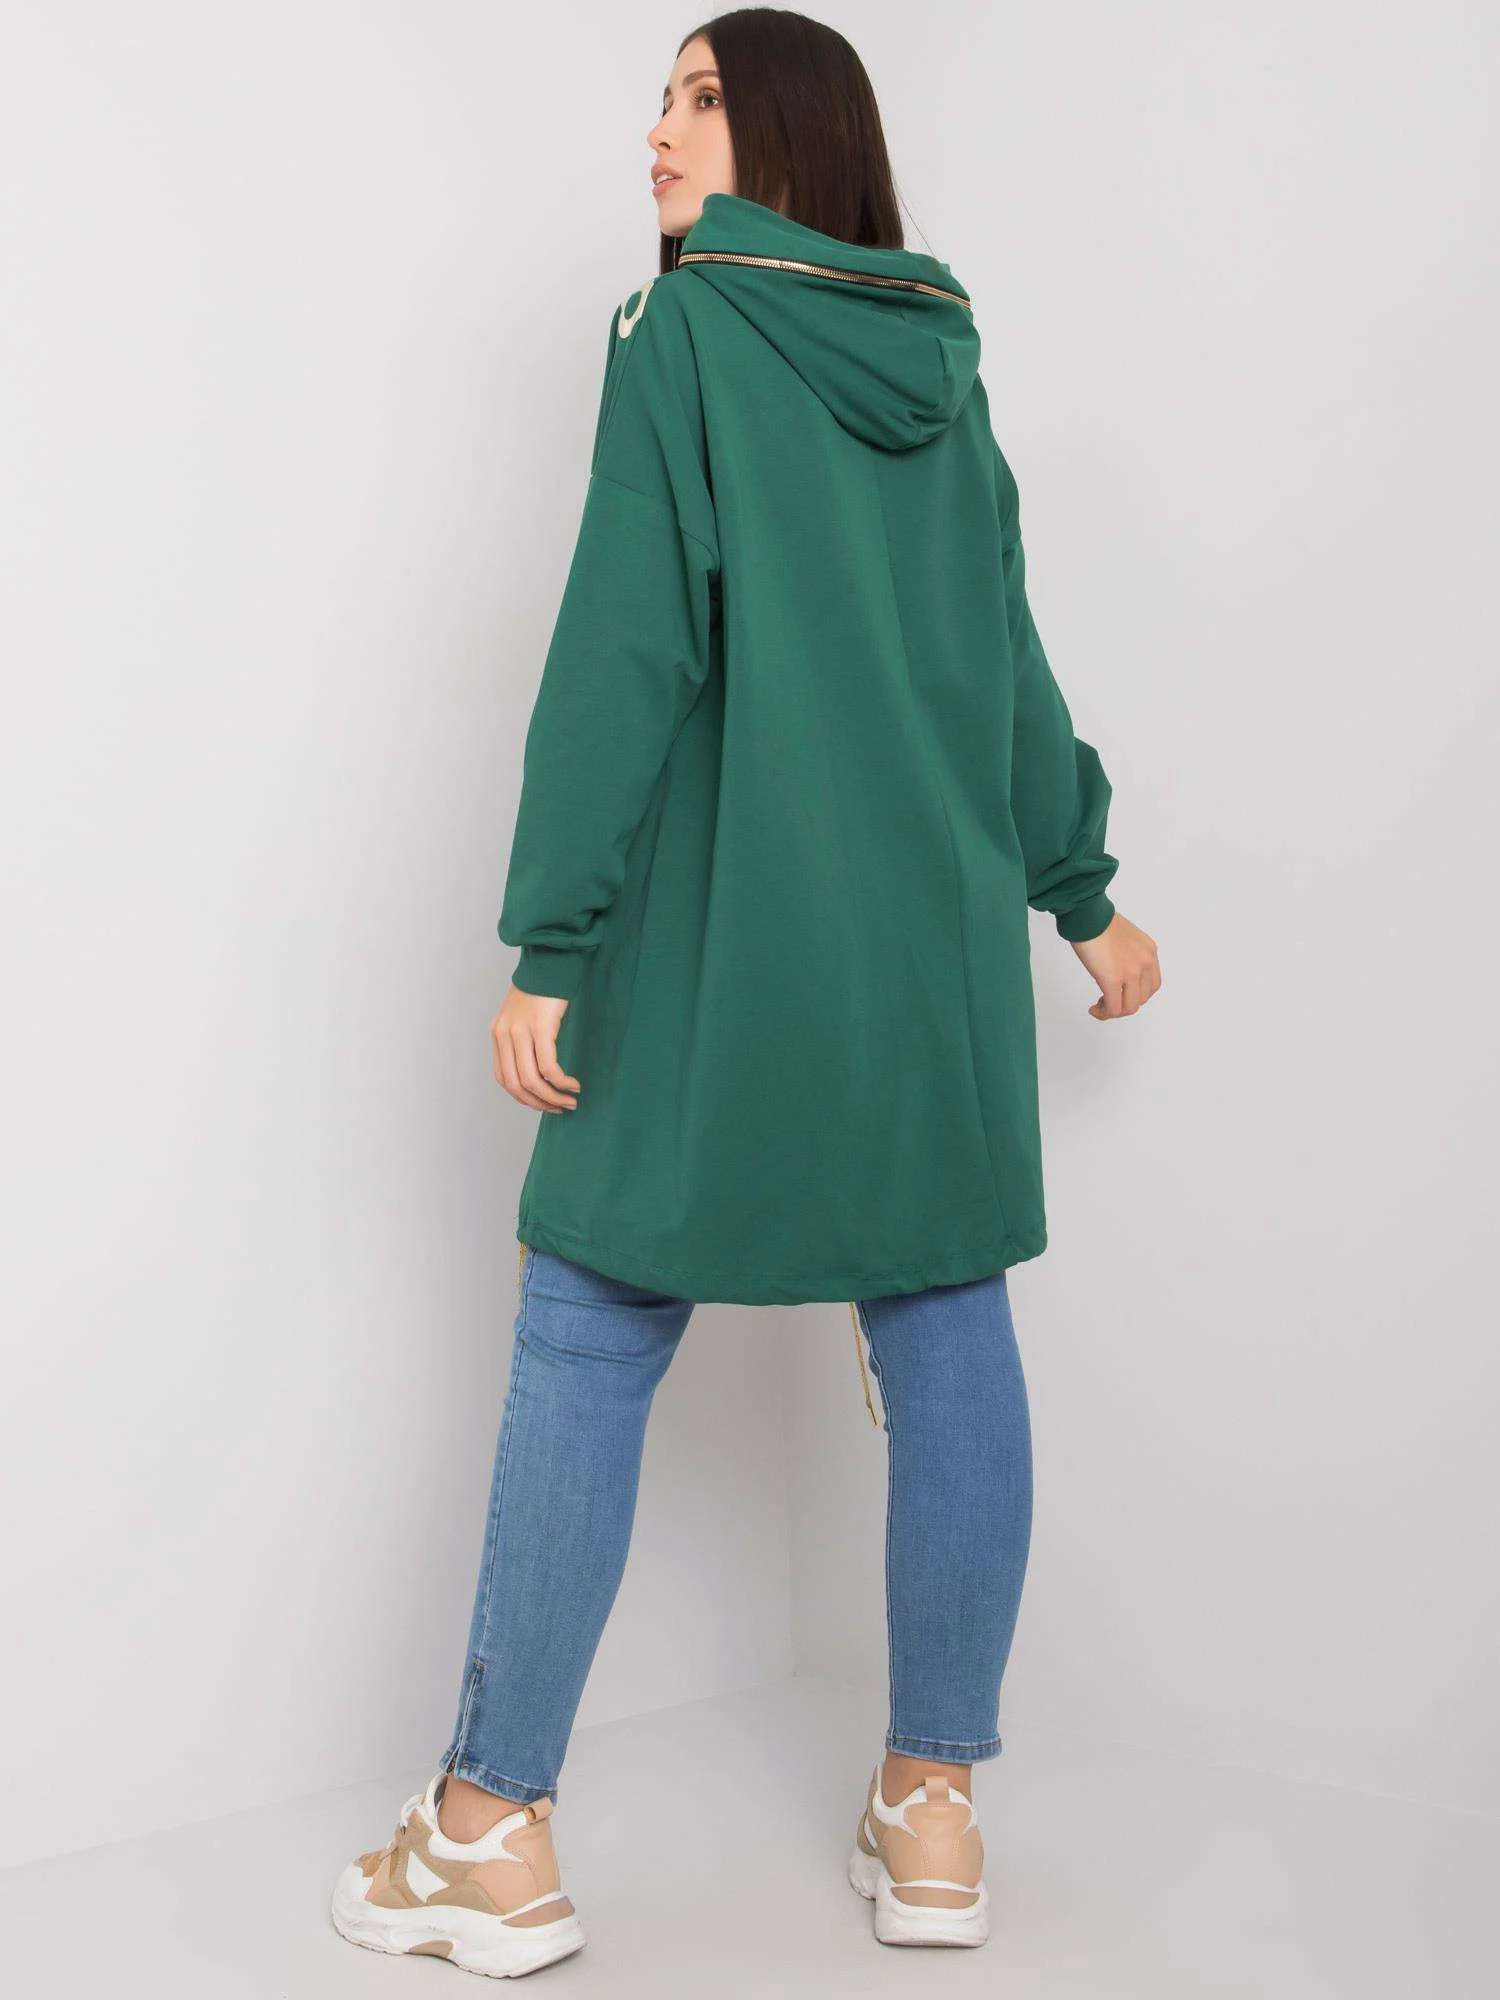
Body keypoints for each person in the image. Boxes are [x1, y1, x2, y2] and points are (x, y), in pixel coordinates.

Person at [331, 6, 1161, 1977]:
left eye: (699, 98)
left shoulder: (686, 331)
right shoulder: (942, 355)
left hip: (731, 946)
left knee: (587, 1321)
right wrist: (1079, 890)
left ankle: (488, 1831)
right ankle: (935, 1812)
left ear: (792, 135)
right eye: (660, 97)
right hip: (932, 966)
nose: (657, 132)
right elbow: (1003, 655)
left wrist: (554, 936)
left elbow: (624, 646)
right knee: (947, 1325)